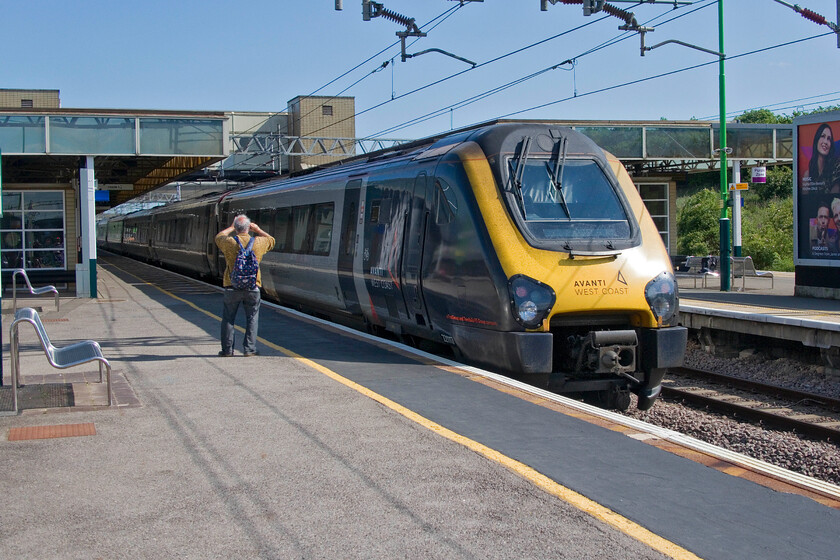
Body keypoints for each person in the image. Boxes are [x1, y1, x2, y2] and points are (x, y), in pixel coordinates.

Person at [215, 215, 275, 356]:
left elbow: (219, 237)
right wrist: (258, 230)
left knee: (228, 318)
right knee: (252, 319)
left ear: (236, 228)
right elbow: (272, 240)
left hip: (232, 286)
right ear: (249, 227)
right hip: (253, 287)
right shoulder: (259, 242)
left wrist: (231, 227)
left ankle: (227, 350)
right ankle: (249, 349)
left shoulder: (229, 242)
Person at [803, 123, 837, 192]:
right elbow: (805, 199)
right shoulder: (808, 174)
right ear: (817, 140)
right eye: (822, 136)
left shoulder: (836, 168)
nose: (825, 142)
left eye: (829, 139)